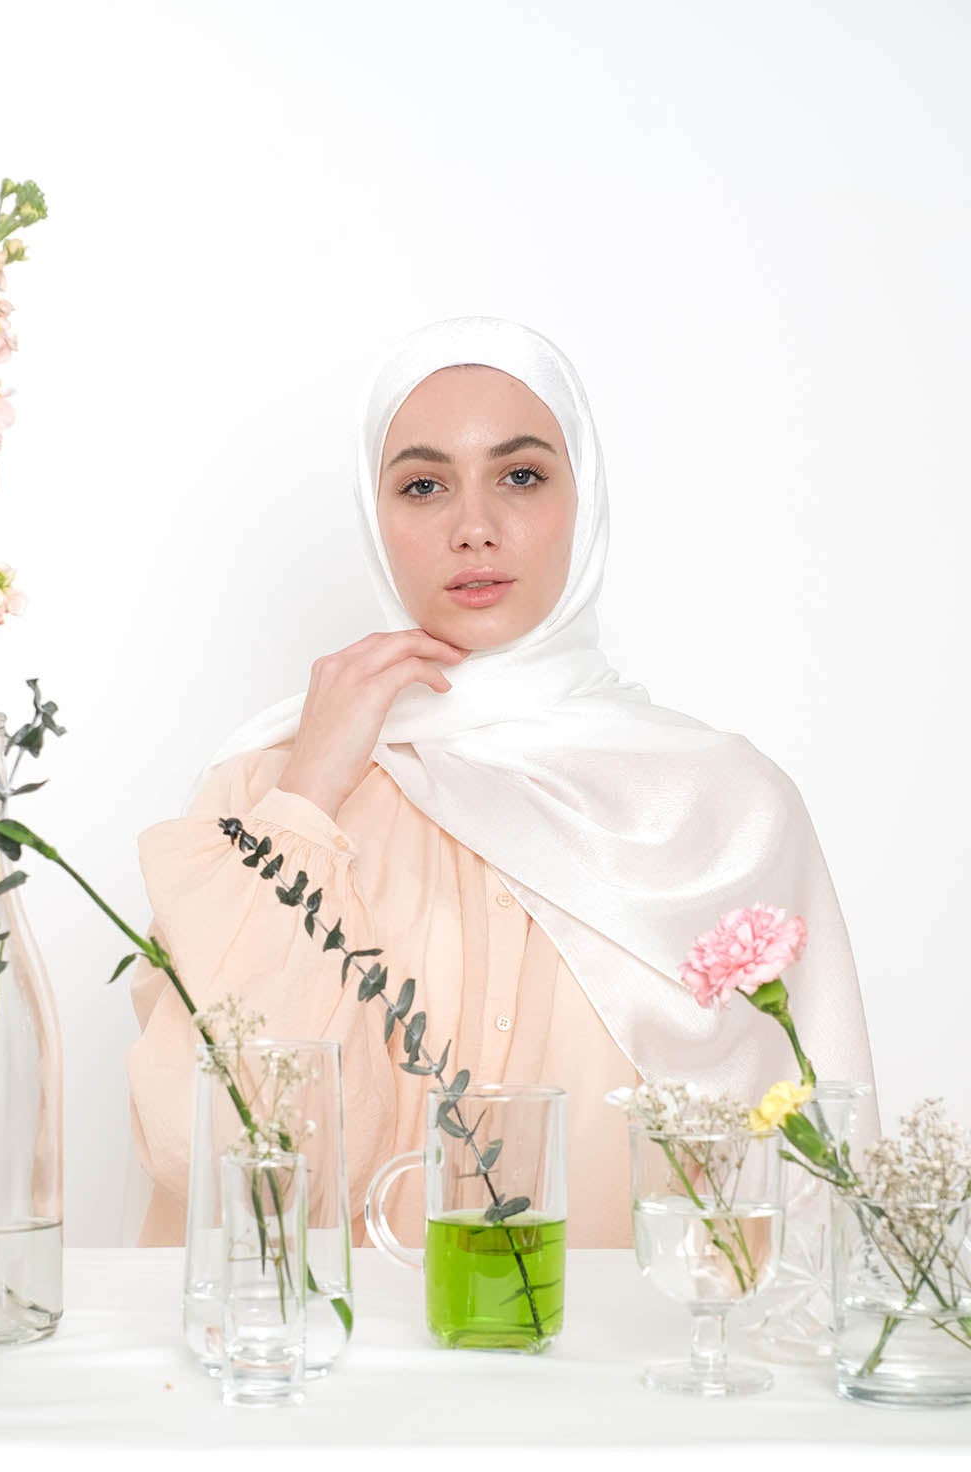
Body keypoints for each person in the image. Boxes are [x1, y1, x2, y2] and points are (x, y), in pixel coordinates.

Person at [126, 314, 878, 1249]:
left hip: (623, 1345)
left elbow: (811, 1193)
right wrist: (310, 791)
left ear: (584, 497)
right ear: (375, 516)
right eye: (423, 485)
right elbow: (209, 1151)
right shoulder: (267, 790)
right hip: (347, 1342)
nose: (473, 529)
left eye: (520, 476)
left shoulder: (726, 807)